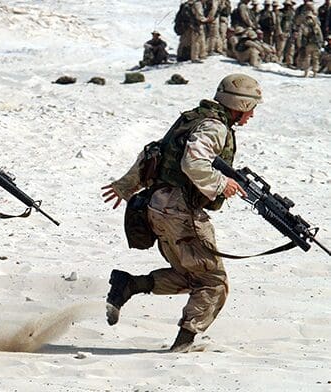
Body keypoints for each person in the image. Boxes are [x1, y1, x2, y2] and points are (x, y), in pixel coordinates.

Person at [102, 73, 262, 353]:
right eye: (251, 109)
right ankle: (183, 344)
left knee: (191, 276)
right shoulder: (214, 127)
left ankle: (129, 285)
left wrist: (127, 185)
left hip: (157, 207)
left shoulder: (193, 119)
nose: (251, 116)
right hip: (179, 211)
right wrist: (223, 183)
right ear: (241, 105)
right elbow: (193, 164)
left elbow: (155, 153)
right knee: (213, 282)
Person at [298, 3, 324, 77]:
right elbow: (320, 34)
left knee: (307, 57)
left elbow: (300, 34)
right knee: (315, 58)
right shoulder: (316, 23)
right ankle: (315, 73)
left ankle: (306, 72)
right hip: (316, 43)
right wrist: (321, 43)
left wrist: (300, 44)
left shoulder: (304, 23)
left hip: (308, 43)